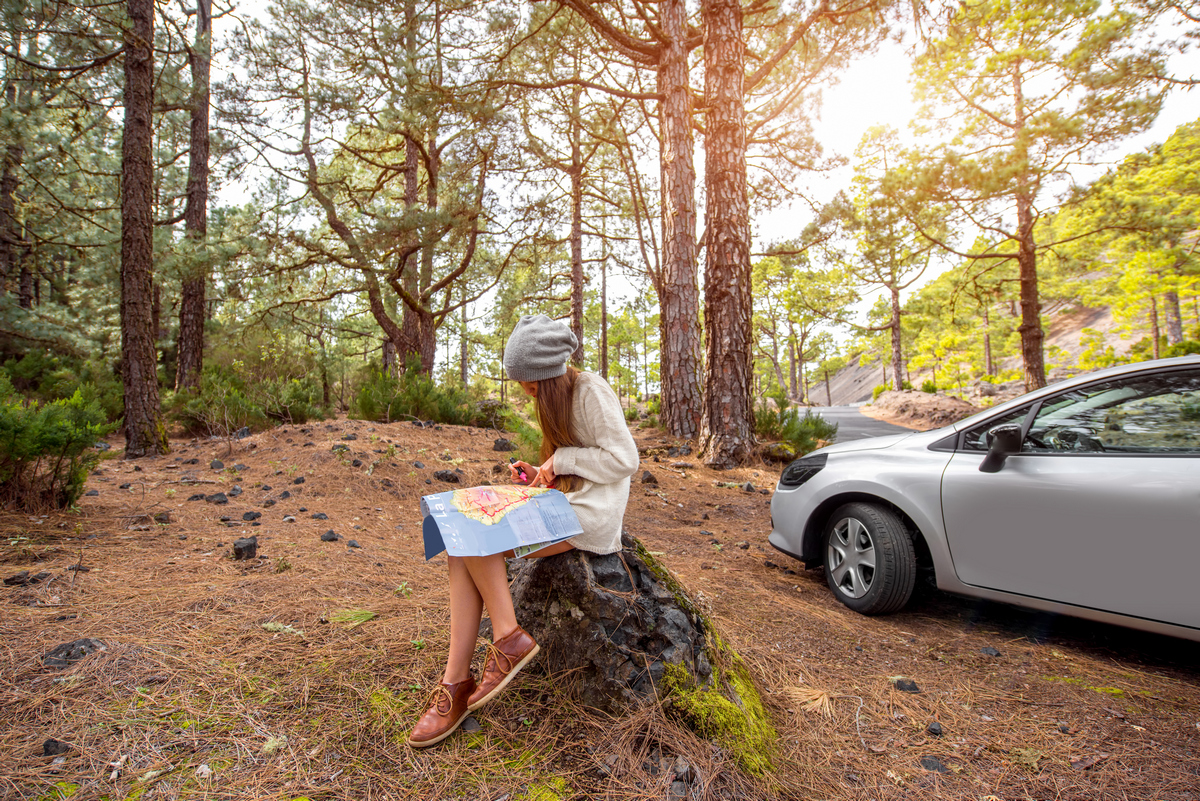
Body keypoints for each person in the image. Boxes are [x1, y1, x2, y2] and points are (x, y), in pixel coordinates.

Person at [406, 314, 640, 748]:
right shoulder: (558, 398)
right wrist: (542, 472)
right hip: (565, 502)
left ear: (548, 373)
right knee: (461, 534)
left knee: (474, 530)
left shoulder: (591, 390)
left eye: (529, 383)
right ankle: (456, 681)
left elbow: (625, 460)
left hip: (590, 515)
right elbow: (572, 461)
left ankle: (508, 639)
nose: (525, 390)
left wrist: (562, 461)